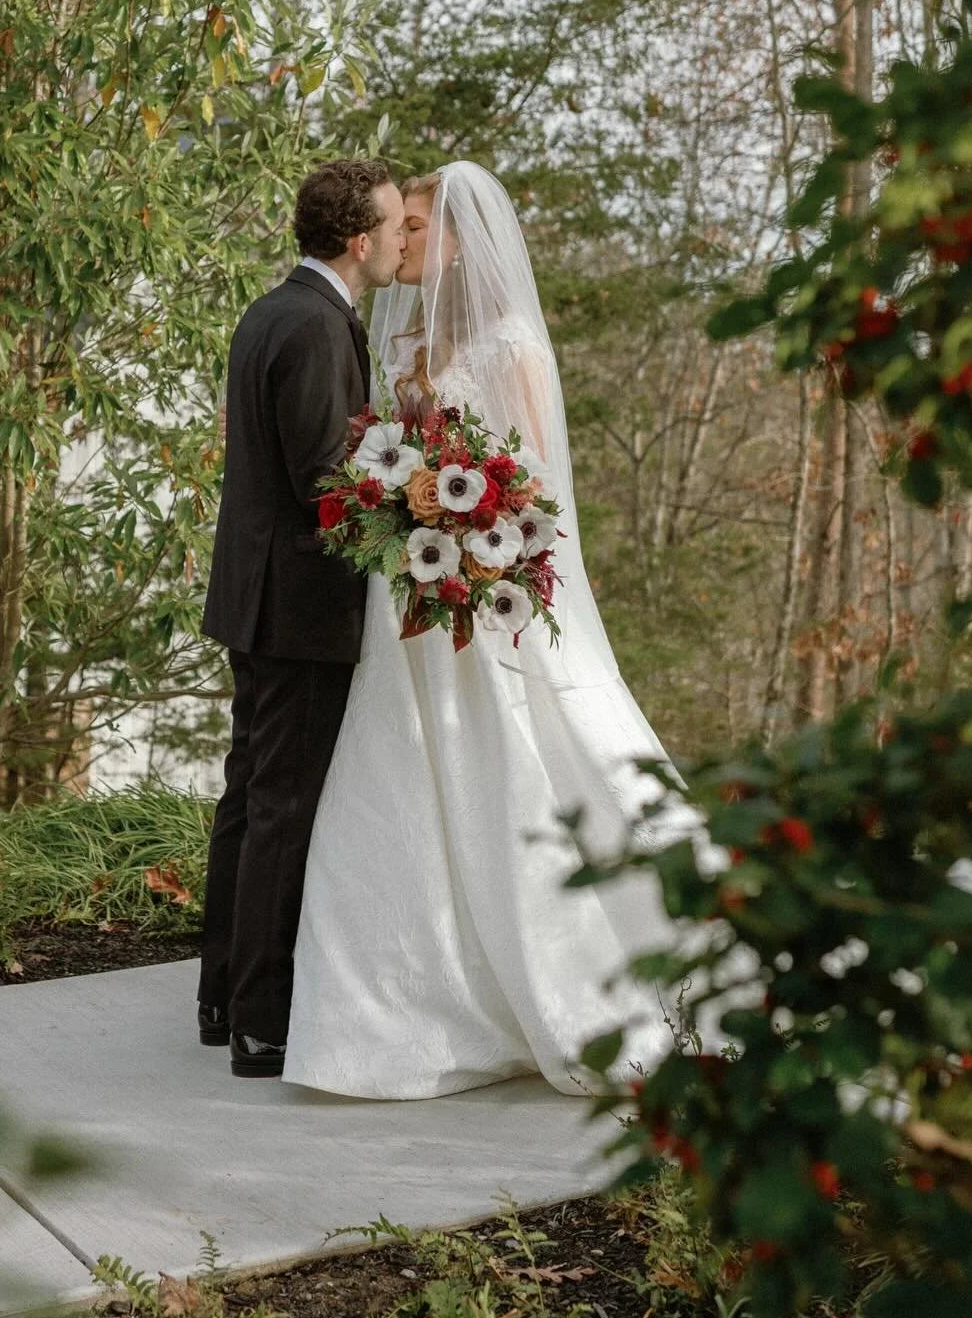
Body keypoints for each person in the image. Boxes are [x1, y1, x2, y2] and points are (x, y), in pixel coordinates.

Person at [281, 160, 682, 1099]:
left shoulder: (513, 345)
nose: (403, 240)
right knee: (397, 784)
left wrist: (474, 538)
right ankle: (397, 1004)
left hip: (488, 587)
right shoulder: (409, 334)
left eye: (415, 226)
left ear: (457, 238)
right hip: (415, 593)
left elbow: (536, 485)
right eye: (399, 227)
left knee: (534, 762)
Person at [198, 157, 407, 1078]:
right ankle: (261, 1023)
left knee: (248, 795)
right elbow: (326, 481)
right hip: (298, 608)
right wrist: (419, 516)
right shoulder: (321, 328)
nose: (403, 240)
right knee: (281, 805)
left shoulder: (270, 311)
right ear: (358, 239)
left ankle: (218, 996)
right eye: (395, 227)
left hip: (254, 596)